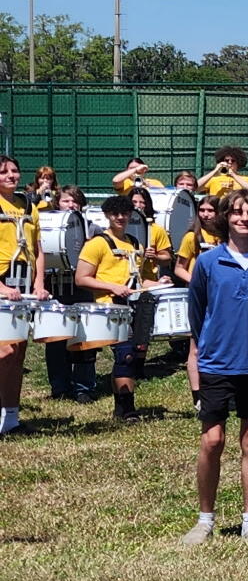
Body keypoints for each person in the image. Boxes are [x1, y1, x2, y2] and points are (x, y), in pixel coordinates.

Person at [180, 190, 248, 546]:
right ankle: (205, 519)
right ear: (225, 217)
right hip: (216, 363)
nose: (244, 218)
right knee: (213, 440)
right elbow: (197, 310)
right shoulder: (209, 263)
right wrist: (205, 347)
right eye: (237, 212)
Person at [74, 190, 166, 421]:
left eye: (125, 213)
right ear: (107, 215)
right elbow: (81, 278)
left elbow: (139, 279)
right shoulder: (97, 243)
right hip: (110, 306)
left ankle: (124, 406)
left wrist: (158, 283)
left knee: (134, 355)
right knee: (124, 356)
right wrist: (111, 287)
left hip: (134, 304)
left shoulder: (134, 243)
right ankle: (126, 409)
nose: (120, 217)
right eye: (115, 213)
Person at [0, 156, 48, 434]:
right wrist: (3, 288)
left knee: (17, 352)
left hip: (23, 282)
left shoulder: (29, 205)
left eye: (15, 171)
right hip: (3, 281)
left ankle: (12, 417)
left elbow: (38, 249)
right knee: (5, 350)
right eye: (4, 172)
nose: (11, 176)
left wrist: (39, 282)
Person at [43, 186, 96, 404]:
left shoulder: (92, 229)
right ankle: (60, 386)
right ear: (58, 203)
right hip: (54, 285)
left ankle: (83, 387)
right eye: (66, 201)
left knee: (83, 338)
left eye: (75, 201)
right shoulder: (46, 224)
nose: (71, 205)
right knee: (55, 339)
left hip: (81, 287)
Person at [173, 194, 226, 284]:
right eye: (202, 210)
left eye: (210, 211)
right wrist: (196, 283)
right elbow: (179, 269)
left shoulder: (228, 236)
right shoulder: (192, 236)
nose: (205, 214)